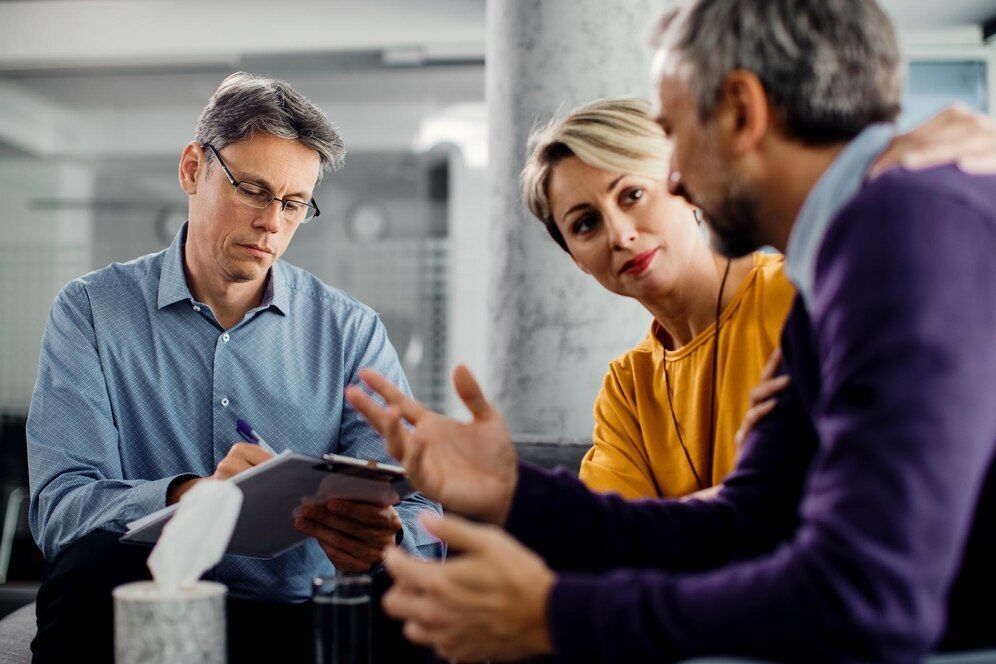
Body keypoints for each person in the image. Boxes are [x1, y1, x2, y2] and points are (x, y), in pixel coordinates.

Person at [344, 1, 996, 661]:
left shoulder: (898, 231)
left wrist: (558, 614)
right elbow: (743, 525)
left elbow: (866, 596)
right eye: (584, 224)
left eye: (673, 132)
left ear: (741, 112)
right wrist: (514, 489)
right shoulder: (836, 275)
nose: (676, 176)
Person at [26, 72, 441, 663]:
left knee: (408, 588)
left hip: (304, 613)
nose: (273, 221)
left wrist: (387, 535)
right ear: (193, 169)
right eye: (253, 189)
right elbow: (61, 508)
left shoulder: (350, 330)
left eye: (294, 203)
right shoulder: (92, 311)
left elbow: (421, 508)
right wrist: (194, 498)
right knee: (87, 567)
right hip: (155, 603)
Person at [521, 97, 794, 499]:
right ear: (577, 259)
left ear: (688, 185)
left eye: (632, 195)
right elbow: (610, 545)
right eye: (586, 224)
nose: (619, 234)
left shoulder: (797, 295)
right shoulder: (628, 390)